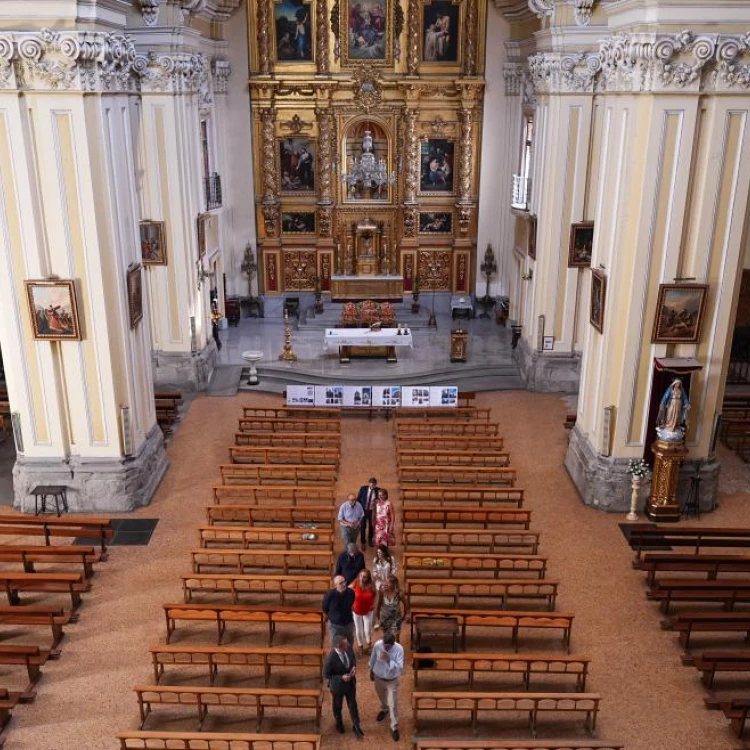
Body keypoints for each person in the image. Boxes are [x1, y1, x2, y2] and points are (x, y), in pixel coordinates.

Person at [323, 635, 364, 738]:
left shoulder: (348, 648)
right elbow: (326, 675)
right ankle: (339, 723)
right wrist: (341, 677)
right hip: (338, 687)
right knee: (338, 706)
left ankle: (356, 725)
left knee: (352, 705)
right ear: (339, 647)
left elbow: (353, 658)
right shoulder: (331, 658)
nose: (348, 645)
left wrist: (354, 666)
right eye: (346, 644)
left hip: (350, 684)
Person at [369, 632, 404, 741]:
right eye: (383, 644)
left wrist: (389, 659)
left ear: (392, 644)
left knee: (392, 704)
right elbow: (373, 658)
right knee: (382, 697)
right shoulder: (378, 645)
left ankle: (394, 727)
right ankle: (384, 709)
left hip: (392, 680)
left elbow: (399, 667)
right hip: (379, 678)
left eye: (387, 646)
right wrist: (371, 672)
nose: (384, 647)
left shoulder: (399, 649)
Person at [322, 575, 355, 646]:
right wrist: (333, 616)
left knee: (349, 643)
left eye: (344, 582)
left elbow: (352, 603)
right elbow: (324, 608)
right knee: (335, 645)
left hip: (348, 624)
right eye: (340, 583)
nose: (344, 584)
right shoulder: (329, 595)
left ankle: (349, 656)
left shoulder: (351, 592)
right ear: (335, 585)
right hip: (335, 626)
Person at [374, 574, 409, 641]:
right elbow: (378, 604)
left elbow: (405, 605)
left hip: (395, 619)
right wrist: (378, 617)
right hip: (385, 618)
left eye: (388, 583)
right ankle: (388, 650)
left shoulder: (399, 593)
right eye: (386, 582)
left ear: (394, 584)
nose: (386, 584)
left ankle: (396, 651)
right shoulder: (382, 592)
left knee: (396, 638)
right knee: (386, 637)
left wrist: (405, 615)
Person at [352, 569, 376, 655]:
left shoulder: (371, 585)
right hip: (356, 610)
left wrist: (373, 604)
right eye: (361, 576)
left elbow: (374, 595)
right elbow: (348, 590)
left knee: (367, 630)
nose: (362, 578)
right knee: (358, 630)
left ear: (368, 578)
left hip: (368, 611)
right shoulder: (355, 583)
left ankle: (369, 644)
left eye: (364, 577)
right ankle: (360, 645)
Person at [357, 477, 378, 547]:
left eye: (374, 484)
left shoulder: (378, 490)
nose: (372, 485)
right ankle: (363, 541)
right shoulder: (363, 489)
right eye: (371, 484)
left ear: (375, 485)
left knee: (371, 526)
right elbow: (358, 499)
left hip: (372, 511)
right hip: (363, 510)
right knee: (363, 526)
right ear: (369, 483)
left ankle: (370, 540)